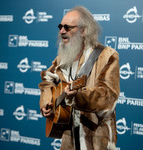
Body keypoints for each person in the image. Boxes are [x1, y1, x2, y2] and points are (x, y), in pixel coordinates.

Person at [39, 6, 120, 150]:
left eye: (67, 27)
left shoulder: (106, 56)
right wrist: (47, 103)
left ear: (83, 31)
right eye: (60, 26)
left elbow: (107, 96)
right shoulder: (61, 59)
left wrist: (78, 97)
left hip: (96, 138)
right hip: (68, 139)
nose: (62, 31)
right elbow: (47, 81)